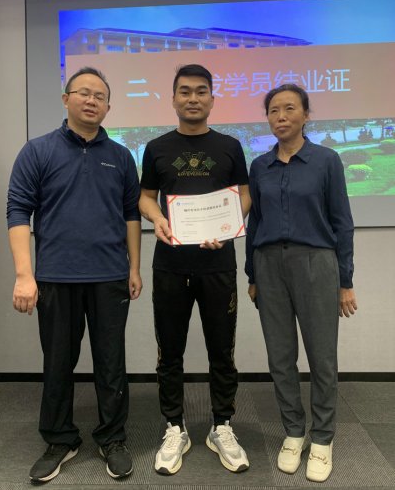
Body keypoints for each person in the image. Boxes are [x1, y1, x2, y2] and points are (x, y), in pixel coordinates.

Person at [7, 67, 142, 483]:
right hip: (55, 276)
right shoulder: (37, 151)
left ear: (108, 107)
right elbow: (18, 211)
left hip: (110, 276)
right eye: (83, 93)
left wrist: (134, 267)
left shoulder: (121, 156)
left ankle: (112, 438)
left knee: (111, 363)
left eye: (100, 96)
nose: (91, 100)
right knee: (58, 362)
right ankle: (60, 440)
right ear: (66, 99)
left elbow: (131, 214)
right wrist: (24, 275)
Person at [139, 64, 251, 475]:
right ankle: (175, 426)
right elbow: (145, 197)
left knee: (222, 350)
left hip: (218, 264)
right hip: (170, 265)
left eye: (201, 91)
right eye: (184, 91)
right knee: (170, 351)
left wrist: (228, 227)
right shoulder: (156, 147)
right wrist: (157, 218)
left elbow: (245, 194)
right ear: (173, 99)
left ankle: (222, 425)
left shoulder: (230, 146)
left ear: (212, 99)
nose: (192, 98)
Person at [245, 83, 357, 483]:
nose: (281, 116)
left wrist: (345, 280)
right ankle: (294, 432)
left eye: (290, 108)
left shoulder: (327, 160)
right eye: (274, 110)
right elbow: (254, 222)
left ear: (306, 115)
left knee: (322, 357)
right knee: (280, 357)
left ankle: (322, 438)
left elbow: (342, 222)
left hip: (316, 264)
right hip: (268, 265)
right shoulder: (260, 166)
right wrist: (252, 273)